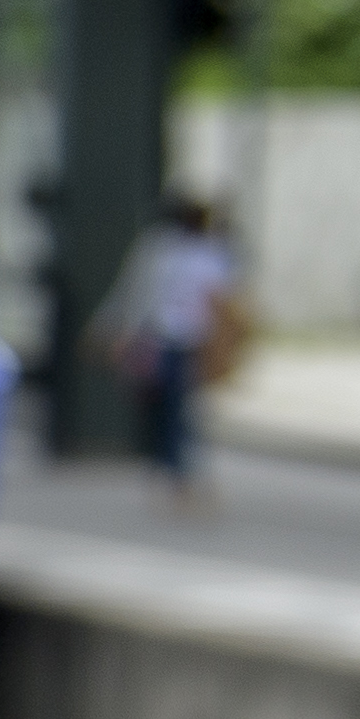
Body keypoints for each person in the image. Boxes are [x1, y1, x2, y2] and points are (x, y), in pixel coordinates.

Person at [96, 193, 249, 508]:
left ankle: (177, 471)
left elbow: (227, 295)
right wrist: (119, 331)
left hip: (192, 342)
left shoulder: (208, 252)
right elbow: (136, 293)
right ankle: (173, 469)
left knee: (178, 409)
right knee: (165, 408)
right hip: (162, 339)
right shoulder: (161, 250)